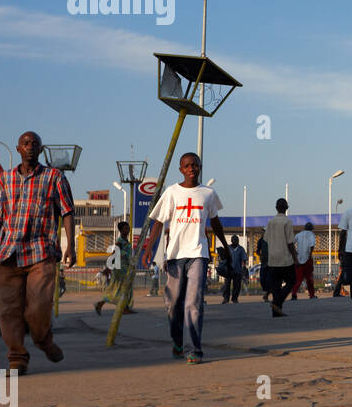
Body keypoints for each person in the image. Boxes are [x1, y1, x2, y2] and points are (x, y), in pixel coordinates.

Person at [0, 131, 75, 374]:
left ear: (41, 150)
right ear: (18, 149)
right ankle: (17, 357)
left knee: (38, 308)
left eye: (35, 143)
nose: (30, 146)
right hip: (8, 253)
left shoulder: (54, 177)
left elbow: (67, 212)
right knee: (7, 311)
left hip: (41, 252)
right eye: (25, 143)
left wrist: (70, 246)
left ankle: (44, 340)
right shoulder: (4, 179)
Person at [140, 152, 227, 363]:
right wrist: (149, 248)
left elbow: (215, 222)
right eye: (186, 166)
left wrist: (224, 245)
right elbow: (159, 222)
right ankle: (177, 341)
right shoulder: (172, 192)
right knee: (173, 303)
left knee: (193, 302)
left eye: (194, 165)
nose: (191, 169)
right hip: (175, 256)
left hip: (198, 253)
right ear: (181, 169)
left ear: (199, 167)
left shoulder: (208, 193)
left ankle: (193, 350)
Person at [94, 221, 136, 315]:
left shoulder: (126, 242)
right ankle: (123, 308)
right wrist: (107, 268)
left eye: (128, 228)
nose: (128, 230)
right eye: (125, 228)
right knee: (119, 289)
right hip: (119, 270)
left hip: (125, 269)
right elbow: (113, 256)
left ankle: (122, 307)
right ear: (121, 230)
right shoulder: (119, 243)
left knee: (122, 289)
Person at [265, 199, 297, 317]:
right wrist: (295, 258)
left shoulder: (271, 222)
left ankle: (276, 311)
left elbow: (266, 240)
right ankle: (277, 302)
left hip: (272, 259)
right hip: (285, 259)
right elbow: (290, 243)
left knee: (276, 286)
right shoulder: (287, 221)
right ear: (286, 207)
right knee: (292, 281)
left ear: (276, 207)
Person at [291, 222, 317, 300]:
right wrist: (310, 254)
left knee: (298, 279)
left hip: (299, 259)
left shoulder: (299, 234)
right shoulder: (311, 234)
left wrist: (295, 252)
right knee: (309, 278)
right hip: (307, 259)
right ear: (311, 229)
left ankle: (294, 294)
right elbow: (312, 245)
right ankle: (311, 295)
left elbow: (291, 243)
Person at [221, 235, 246, 303]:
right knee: (227, 285)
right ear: (231, 240)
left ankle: (234, 298)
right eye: (234, 239)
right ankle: (226, 298)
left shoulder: (241, 249)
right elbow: (223, 257)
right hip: (229, 269)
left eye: (236, 239)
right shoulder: (228, 248)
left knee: (237, 285)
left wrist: (244, 266)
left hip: (237, 270)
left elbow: (244, 259)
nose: (235, 241)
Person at [256, 234, 270, 301]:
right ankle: (265, 292)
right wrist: (260, 255)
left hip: (271, 263)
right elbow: (257, 251)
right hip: (264, 263)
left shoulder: (273, 239)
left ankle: (266, 294)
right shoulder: (261, 240)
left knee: (269, 279)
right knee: (262, 279)